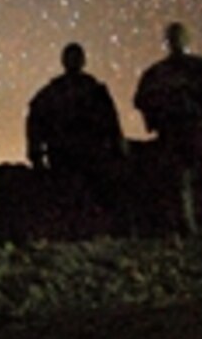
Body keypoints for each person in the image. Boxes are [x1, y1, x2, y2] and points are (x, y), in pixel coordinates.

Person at [133, 22, 202, 235]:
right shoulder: (156, 72)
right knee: (176, 179)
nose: (175, 40)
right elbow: (141, 98)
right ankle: (184, 224)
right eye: (172, 36)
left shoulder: (200, 67)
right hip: (172, 129)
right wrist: (158, 114)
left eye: (179, 36)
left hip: (198, 125)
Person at [26, 42, 128, 213]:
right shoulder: (55, 92)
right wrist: (35, 152)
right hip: (67, 152)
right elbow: (35, 121)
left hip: (88, 152)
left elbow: (111, 121)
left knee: (88, 194)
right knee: (71, 195)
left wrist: (117, 144)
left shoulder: (93, 90)